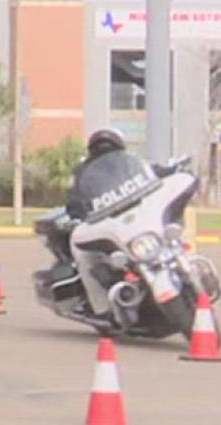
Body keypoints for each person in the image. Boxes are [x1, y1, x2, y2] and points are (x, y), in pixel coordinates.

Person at [66, 128, 173, 321]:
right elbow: (74, 201)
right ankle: (102, 308)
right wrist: (79, 215)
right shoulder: (82, 172)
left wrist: (172, 172)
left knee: (169, 231)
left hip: (138, 215)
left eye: (109, 146)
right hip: (108, 222)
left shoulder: (133, 163)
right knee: (82, 250)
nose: (105, 150)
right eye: (100, 147)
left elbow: (155, 174)